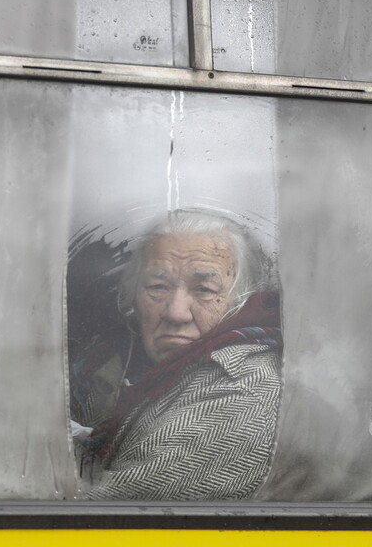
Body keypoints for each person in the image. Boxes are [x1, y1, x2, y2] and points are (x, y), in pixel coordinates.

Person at [77, 209, 282, 500]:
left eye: (204, 290)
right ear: (133, 298)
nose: (176, 312)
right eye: (158, 287)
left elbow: (91, 514)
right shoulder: (133, 367)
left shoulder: (240, 393)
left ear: (242, 300)